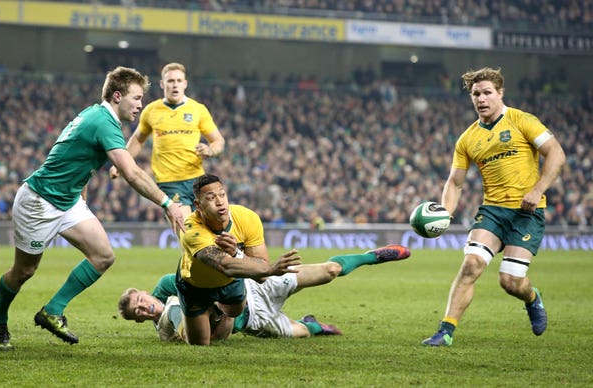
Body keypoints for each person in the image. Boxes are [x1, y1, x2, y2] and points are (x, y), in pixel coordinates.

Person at [0, 66, 186, 351]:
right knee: (24, 271)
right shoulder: (103, 122)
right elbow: (130, 172)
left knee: (103, 256)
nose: (141, 104)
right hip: (39, 202)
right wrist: (167, 204)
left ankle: (53, 310)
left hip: (68, 202)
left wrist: (83, 202)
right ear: (118, 96)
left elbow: (81, 162)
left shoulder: (97, 116)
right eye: (137, 97)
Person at [421, 67, 566, 347]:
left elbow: (556, 153)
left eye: (487, 92)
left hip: (527, 214)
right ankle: (446, 331)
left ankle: (532, 298)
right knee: (470, 265)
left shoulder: (521, 120)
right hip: (493, 211)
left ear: (500, 94)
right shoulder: (467, 139)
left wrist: (537, 190)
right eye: (476, 94)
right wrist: (446, 213)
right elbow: (455, 182)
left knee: (510, 282)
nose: (481, 98)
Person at [118, 243, 410, 340]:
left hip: (257, 284)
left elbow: (201, 278)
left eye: (141, 301)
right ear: (140, 320)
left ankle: (372, 256)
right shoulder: (166, 331)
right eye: (139, 312)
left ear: (145, 292)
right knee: (303, 333)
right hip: (254, 320)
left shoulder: (170, 284)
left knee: (329, 272)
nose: (145, 308)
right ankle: (314, 323)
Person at [175, 173, 309, 345]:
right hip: (195, 285)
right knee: (200, 344)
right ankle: (178, 313)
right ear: (197, 205)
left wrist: (261, 266)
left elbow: (261, 276)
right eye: (211, 197)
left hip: (229, 281)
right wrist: (271, 268)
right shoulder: (191, 229)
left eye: (222, 194)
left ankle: (215, 309)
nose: (219, 201)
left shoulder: (247, 218)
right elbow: (226, 265)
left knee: (234, 312)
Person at [109, 62, 225, 220]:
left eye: (178, 81)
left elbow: (218, 141)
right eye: (170, 81)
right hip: (169, 182)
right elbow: (138, 139)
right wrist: (121, 163)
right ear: (163, 84)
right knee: (187, 229)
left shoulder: (198, 109)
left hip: (197, 180)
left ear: (185, 84)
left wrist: (211, 150)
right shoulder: (151, 110)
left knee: (212, 229)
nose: (175, 85)